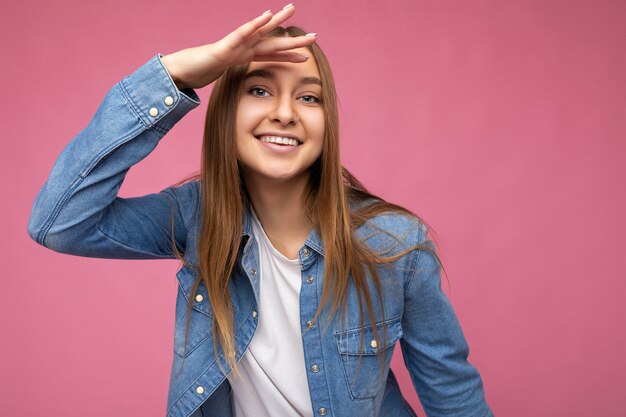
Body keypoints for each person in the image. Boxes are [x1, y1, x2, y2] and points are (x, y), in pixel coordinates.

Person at [27, 4, 493, 417]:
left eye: (308, 97)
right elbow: (60, 223)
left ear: (327, 121)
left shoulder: (395, 243)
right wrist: (174, 74)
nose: (286, 112)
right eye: (259, 90)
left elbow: (452, 392)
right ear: (226, 112)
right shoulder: (195, 218)